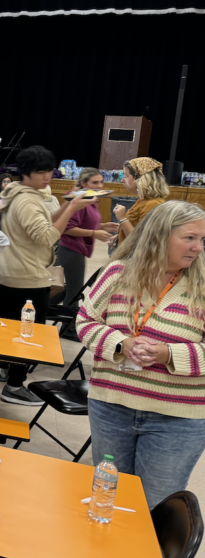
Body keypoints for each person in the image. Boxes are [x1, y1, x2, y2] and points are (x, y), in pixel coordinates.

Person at [77, 201, 205, 509]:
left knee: (152, 508)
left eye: (203, 239)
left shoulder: (200, 285)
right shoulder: (118, 273)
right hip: (111, 406)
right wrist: (121, 343)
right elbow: (85, 320)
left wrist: (169, 354)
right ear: (159, 236)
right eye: (189, 238)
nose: (198, 248)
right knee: (109, 499)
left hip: (176, 418)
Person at [0, 145, 97, 406]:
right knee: (27, 334)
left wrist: (66, 206)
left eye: (49, 171)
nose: (47, 177)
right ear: (27, 173)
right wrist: (73, 208)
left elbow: (42, 222)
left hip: (13, 272)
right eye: (41, 172)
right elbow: (48, 235)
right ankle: (14, 386)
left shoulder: (18, 192)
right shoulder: (28, 199)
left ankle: (5, 373)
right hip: (27, 276)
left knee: (11, 331)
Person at [54, 168, 119, 306]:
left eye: (101, 182)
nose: (100, 186)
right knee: (74, 293)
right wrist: (94, 233)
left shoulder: (91, 199)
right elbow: (67, 228)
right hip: (70, 251)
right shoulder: (78, 200)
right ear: (84, 183)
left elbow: (85, 222)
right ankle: (68, 326)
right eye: (95, 182)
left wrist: (102, 226)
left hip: (78, 251)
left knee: (72, 290)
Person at [115, 157, 170, 245]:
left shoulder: (152, 204)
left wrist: (122, 218)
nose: (122, 180)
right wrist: (119, 236)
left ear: (140, 178)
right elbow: (135, 229)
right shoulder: (144, 200)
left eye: (126, 176)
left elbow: (141, 241)